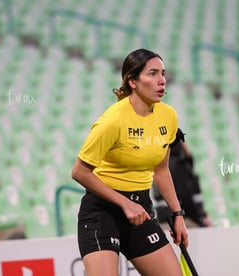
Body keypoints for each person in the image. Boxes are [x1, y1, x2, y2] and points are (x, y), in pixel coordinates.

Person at [71, 48, 188, 276]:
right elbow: (79, 172)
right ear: (132, 81)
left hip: (141, 210)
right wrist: (124, 203)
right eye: (152, 74)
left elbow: (161, 170)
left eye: (163, 73)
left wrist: (177, 214)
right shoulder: (112, 121)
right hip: (102, 213)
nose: (162, 80)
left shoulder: (168, 116)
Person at [153, 137, 213, 228]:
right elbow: (185, 195)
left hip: (164, 217)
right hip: (180, 219)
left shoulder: (159, 165)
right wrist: (199, 219)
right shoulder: (176, 166)